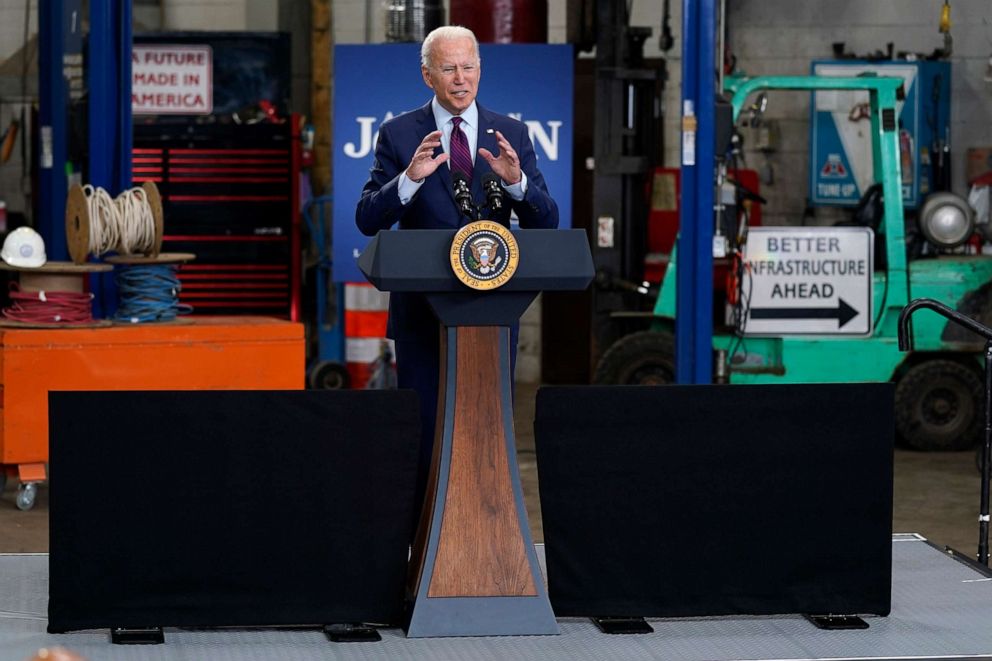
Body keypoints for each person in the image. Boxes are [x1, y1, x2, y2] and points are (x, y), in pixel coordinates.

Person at [355, 25, 559, 520]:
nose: (461, 78)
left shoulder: (511, 133)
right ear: (428, 75)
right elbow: (367, 219)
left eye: (469, 67)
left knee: (486, 430)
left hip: (491, 313)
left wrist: (517, 186)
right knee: (426, 433)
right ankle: (425, 546)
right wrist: (407, 181)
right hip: (423, 315)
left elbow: (546, 219)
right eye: (449, 68)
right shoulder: (399, 135)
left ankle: (486, 537)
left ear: (480, 71)